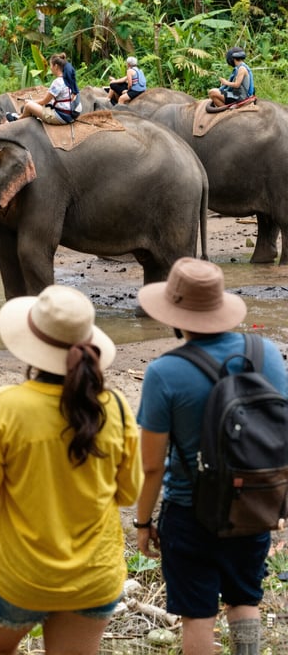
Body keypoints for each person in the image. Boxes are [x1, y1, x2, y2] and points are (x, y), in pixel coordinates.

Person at [0, 285, 142, 655]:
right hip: (94, 576)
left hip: (18, 574)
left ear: (31, 344)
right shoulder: (117, 407)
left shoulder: (6, 406)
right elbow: (129, 494)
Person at [135, 257, 287, 655]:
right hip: (253, 502)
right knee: (244, 599)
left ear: (174, 313)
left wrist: (143, 521)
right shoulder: (264, 352)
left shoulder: (164, 372)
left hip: (189, 511)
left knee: (198, 614)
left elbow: (152, 465)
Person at [18, 54, 80, 124]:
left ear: (56, 66)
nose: (50, 68)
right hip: (70, 114)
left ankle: (17, 119)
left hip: (61, 116)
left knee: (28, 106)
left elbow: (44, 101)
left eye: (50, 65)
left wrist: (30, 102)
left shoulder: (58, 82)